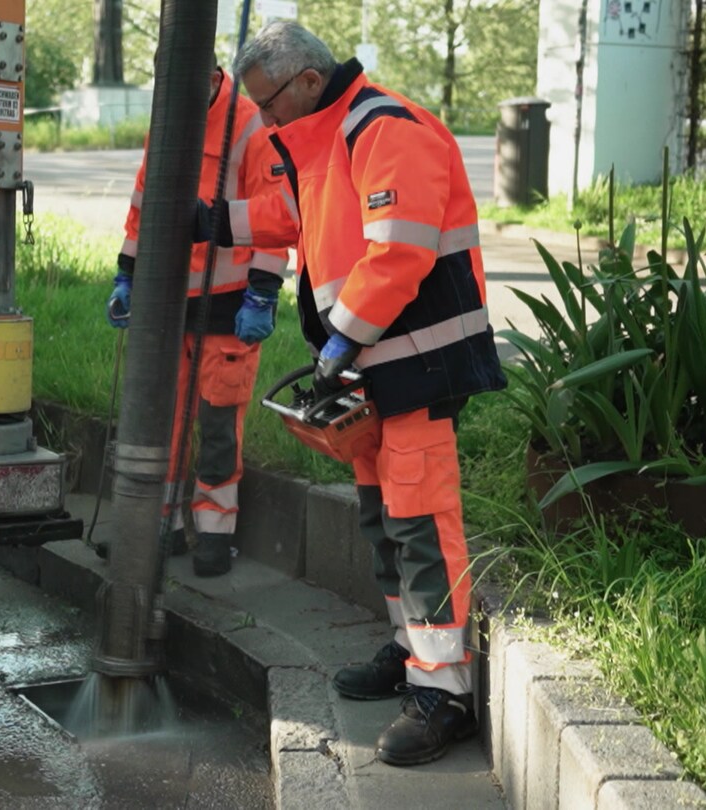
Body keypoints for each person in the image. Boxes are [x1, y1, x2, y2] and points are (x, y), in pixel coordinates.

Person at [202, 20, 507, 765]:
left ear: (308, 79)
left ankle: (445, 695)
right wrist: (215, 222)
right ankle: (412, 655)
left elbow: (397, 250)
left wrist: (341, 337)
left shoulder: (383, 128)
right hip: (378, 368)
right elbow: (292, 216)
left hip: (414, 364)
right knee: (383, 518)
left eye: (268, 103)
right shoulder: (326, 134)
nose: (263, 119)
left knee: (420, 521)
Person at [105, 58, 289, 577]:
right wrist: (127, 274)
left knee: (216, 425)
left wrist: (263, 292)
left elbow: (274, 215)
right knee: (162, 422)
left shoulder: (251, 123)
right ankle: (157, 527)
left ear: (210, 79)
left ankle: (215, 532)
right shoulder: (166, 122)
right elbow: (143, 204)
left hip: (229, 305)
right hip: (168, 302)